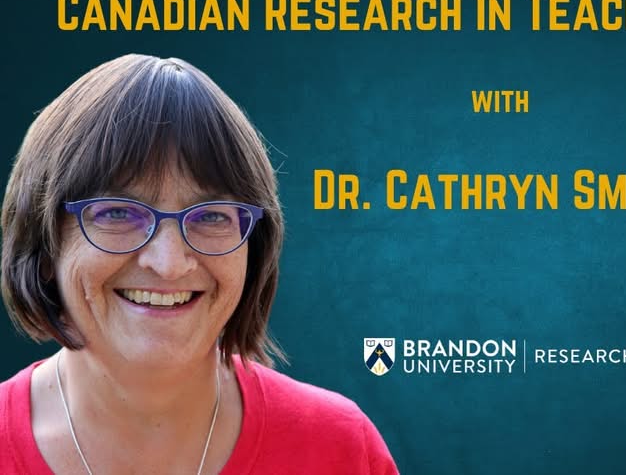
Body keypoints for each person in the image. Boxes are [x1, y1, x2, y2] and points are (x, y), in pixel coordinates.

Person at [0, 54, 399, 474]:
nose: (168, 263)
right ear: (44, 245)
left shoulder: (339, 450)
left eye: (211, 216)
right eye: (117, 213)